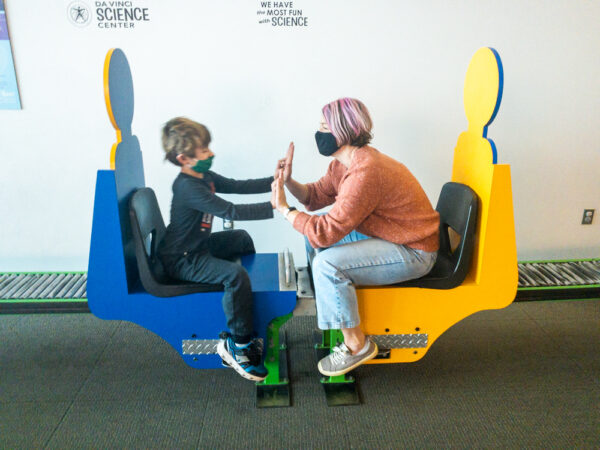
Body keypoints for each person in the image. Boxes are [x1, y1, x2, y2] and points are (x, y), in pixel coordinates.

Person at [272, 98, 440, 376]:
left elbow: (325, 231)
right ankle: (336, 309)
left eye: (325, 126)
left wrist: (284, 209)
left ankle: (356, 345)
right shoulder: (345, 163)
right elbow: (315, 196)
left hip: (414, 250)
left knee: (326, 263)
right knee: (311, 240)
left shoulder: (366, 171)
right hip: (391, 236)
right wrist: (289, 181)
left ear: (343, 131)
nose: (320, 133)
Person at [158, 117, 275, 382]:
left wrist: (276, 180)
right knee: (233, 275)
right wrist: (274, 206)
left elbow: (236, 185)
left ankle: (246, 303)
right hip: (183, 259)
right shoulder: (187, 187)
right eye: (204, 151)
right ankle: (239, 345)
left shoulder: (203, 176)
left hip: (197, 247)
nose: (211, 154)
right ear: (184, 158)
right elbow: (229, 210)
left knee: (241, 239)